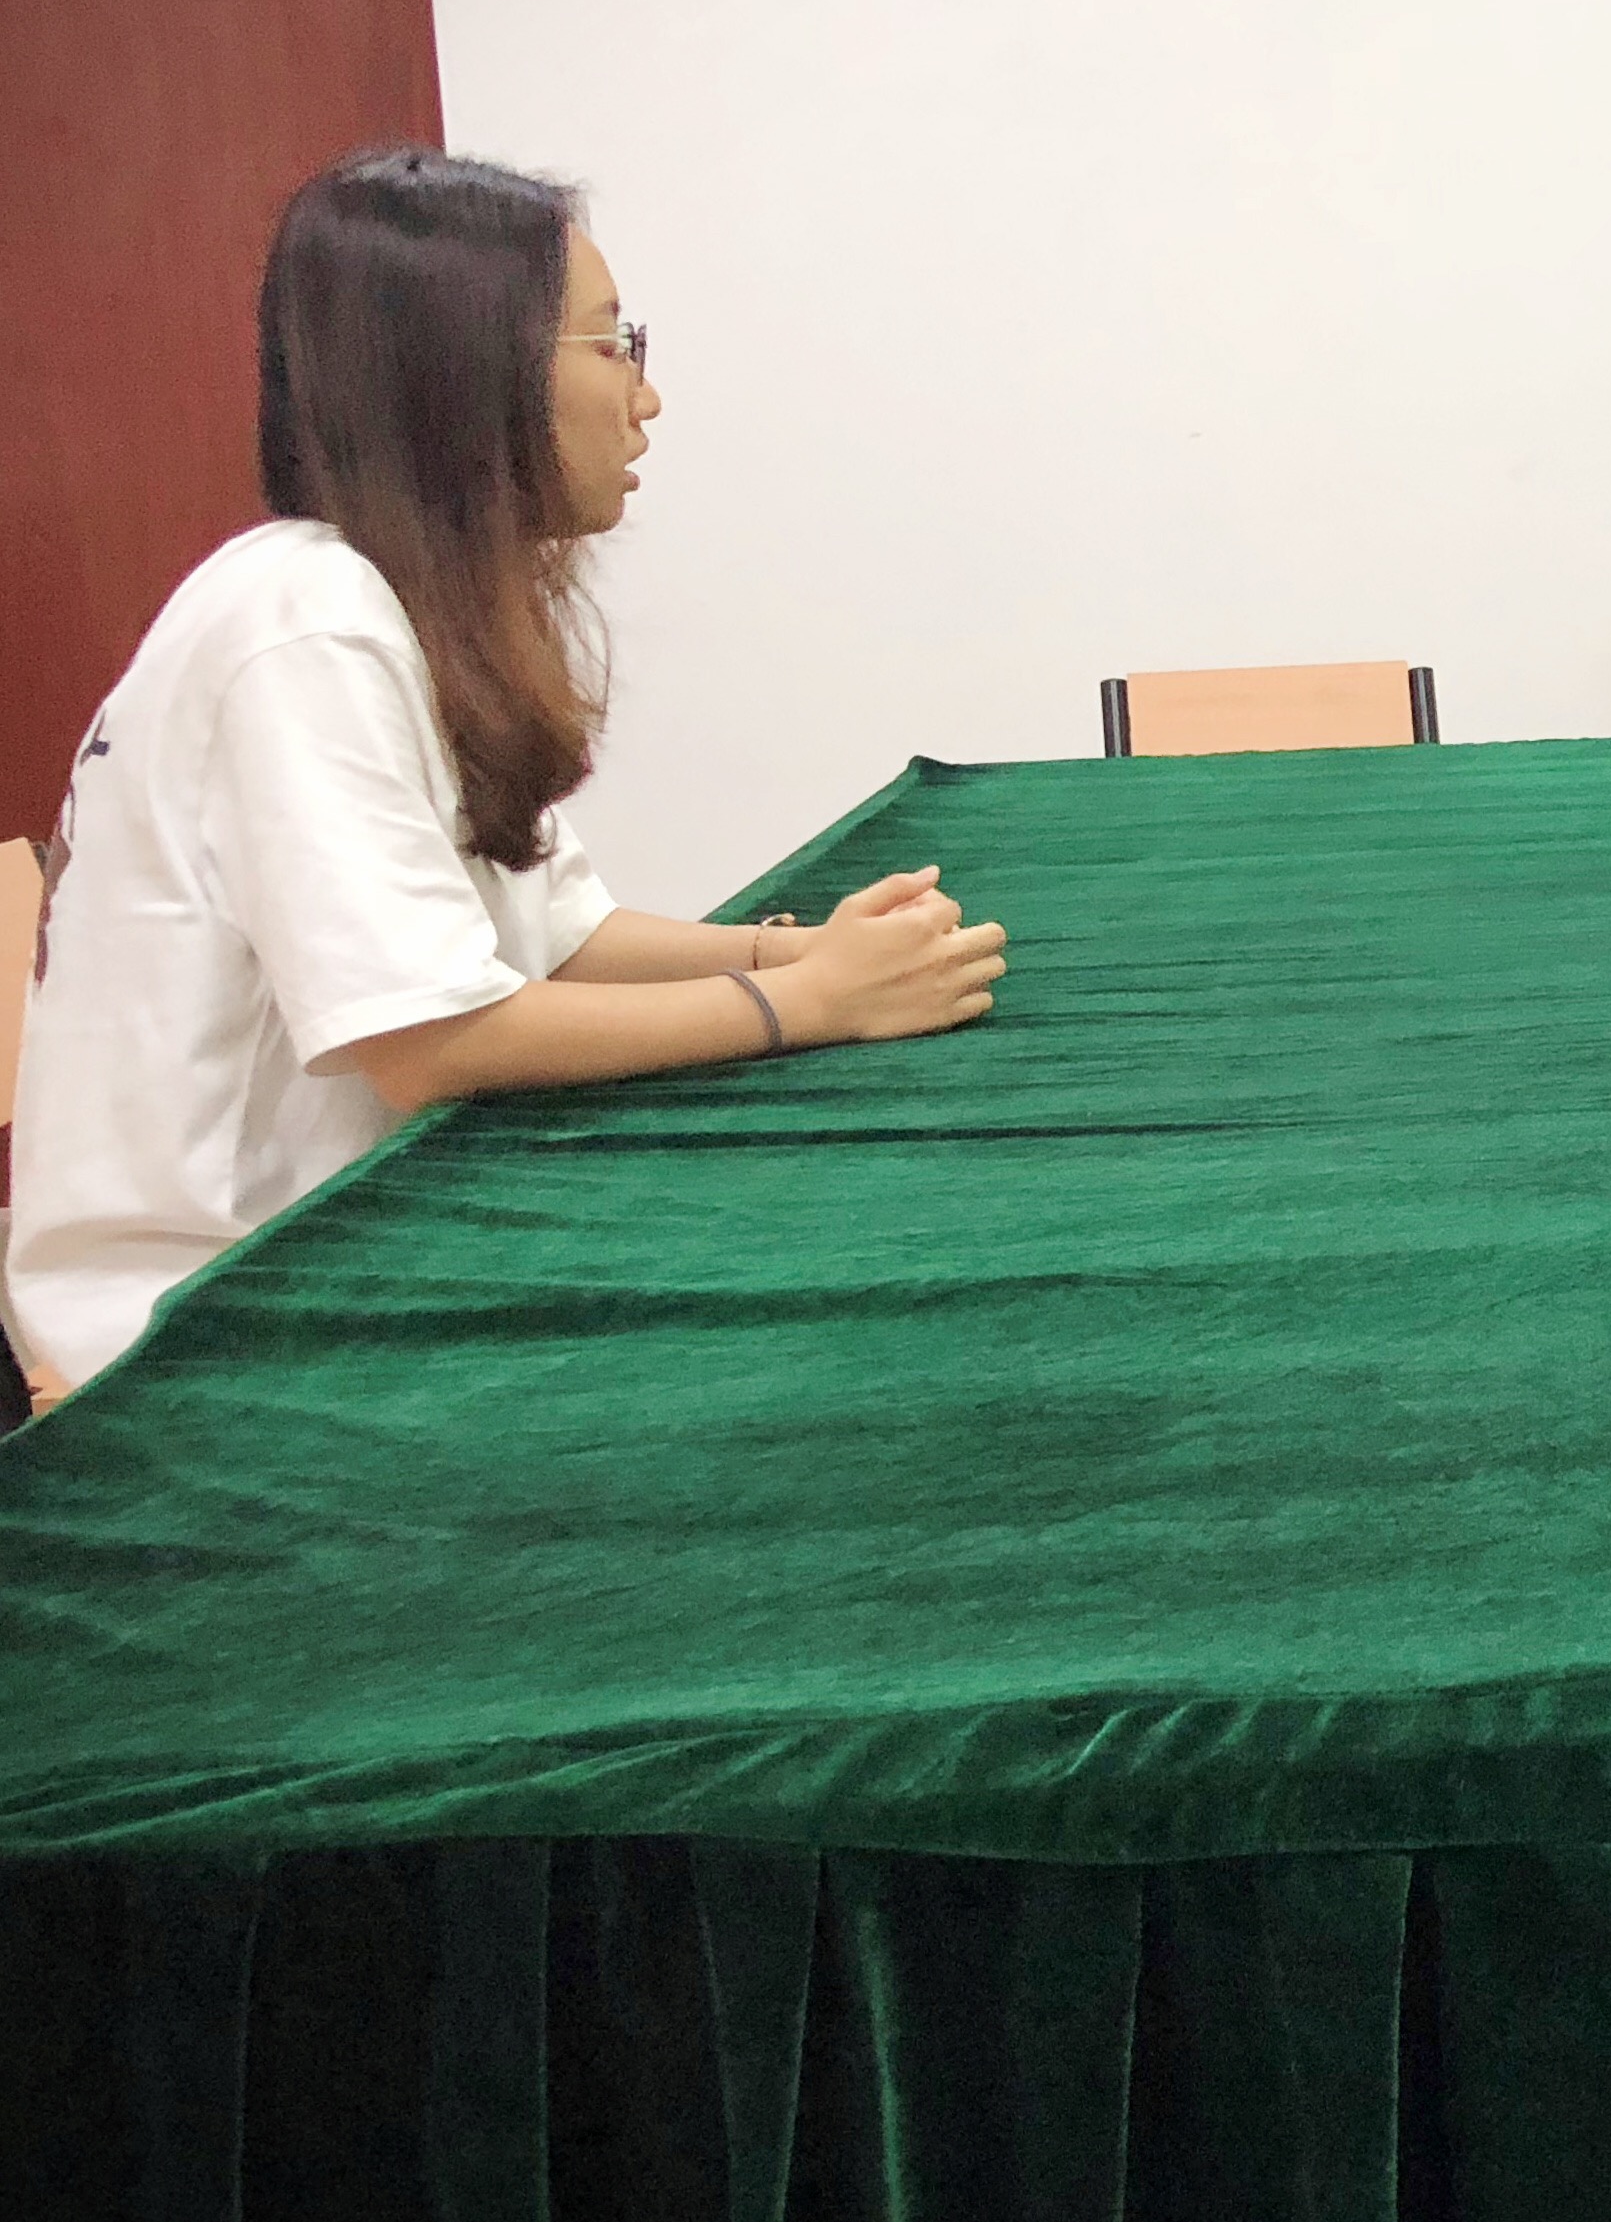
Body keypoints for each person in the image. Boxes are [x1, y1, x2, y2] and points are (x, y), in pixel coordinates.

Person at [3, 150, 1005, 1411]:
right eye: (612, 343)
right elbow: (428, 1038)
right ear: (472, 373)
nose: (646, 397)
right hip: (197, 1338)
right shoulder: (304, 624)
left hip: (344, 1257)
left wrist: (792, 952)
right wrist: (807, 1003)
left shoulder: (395, 603)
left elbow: (558, 936)